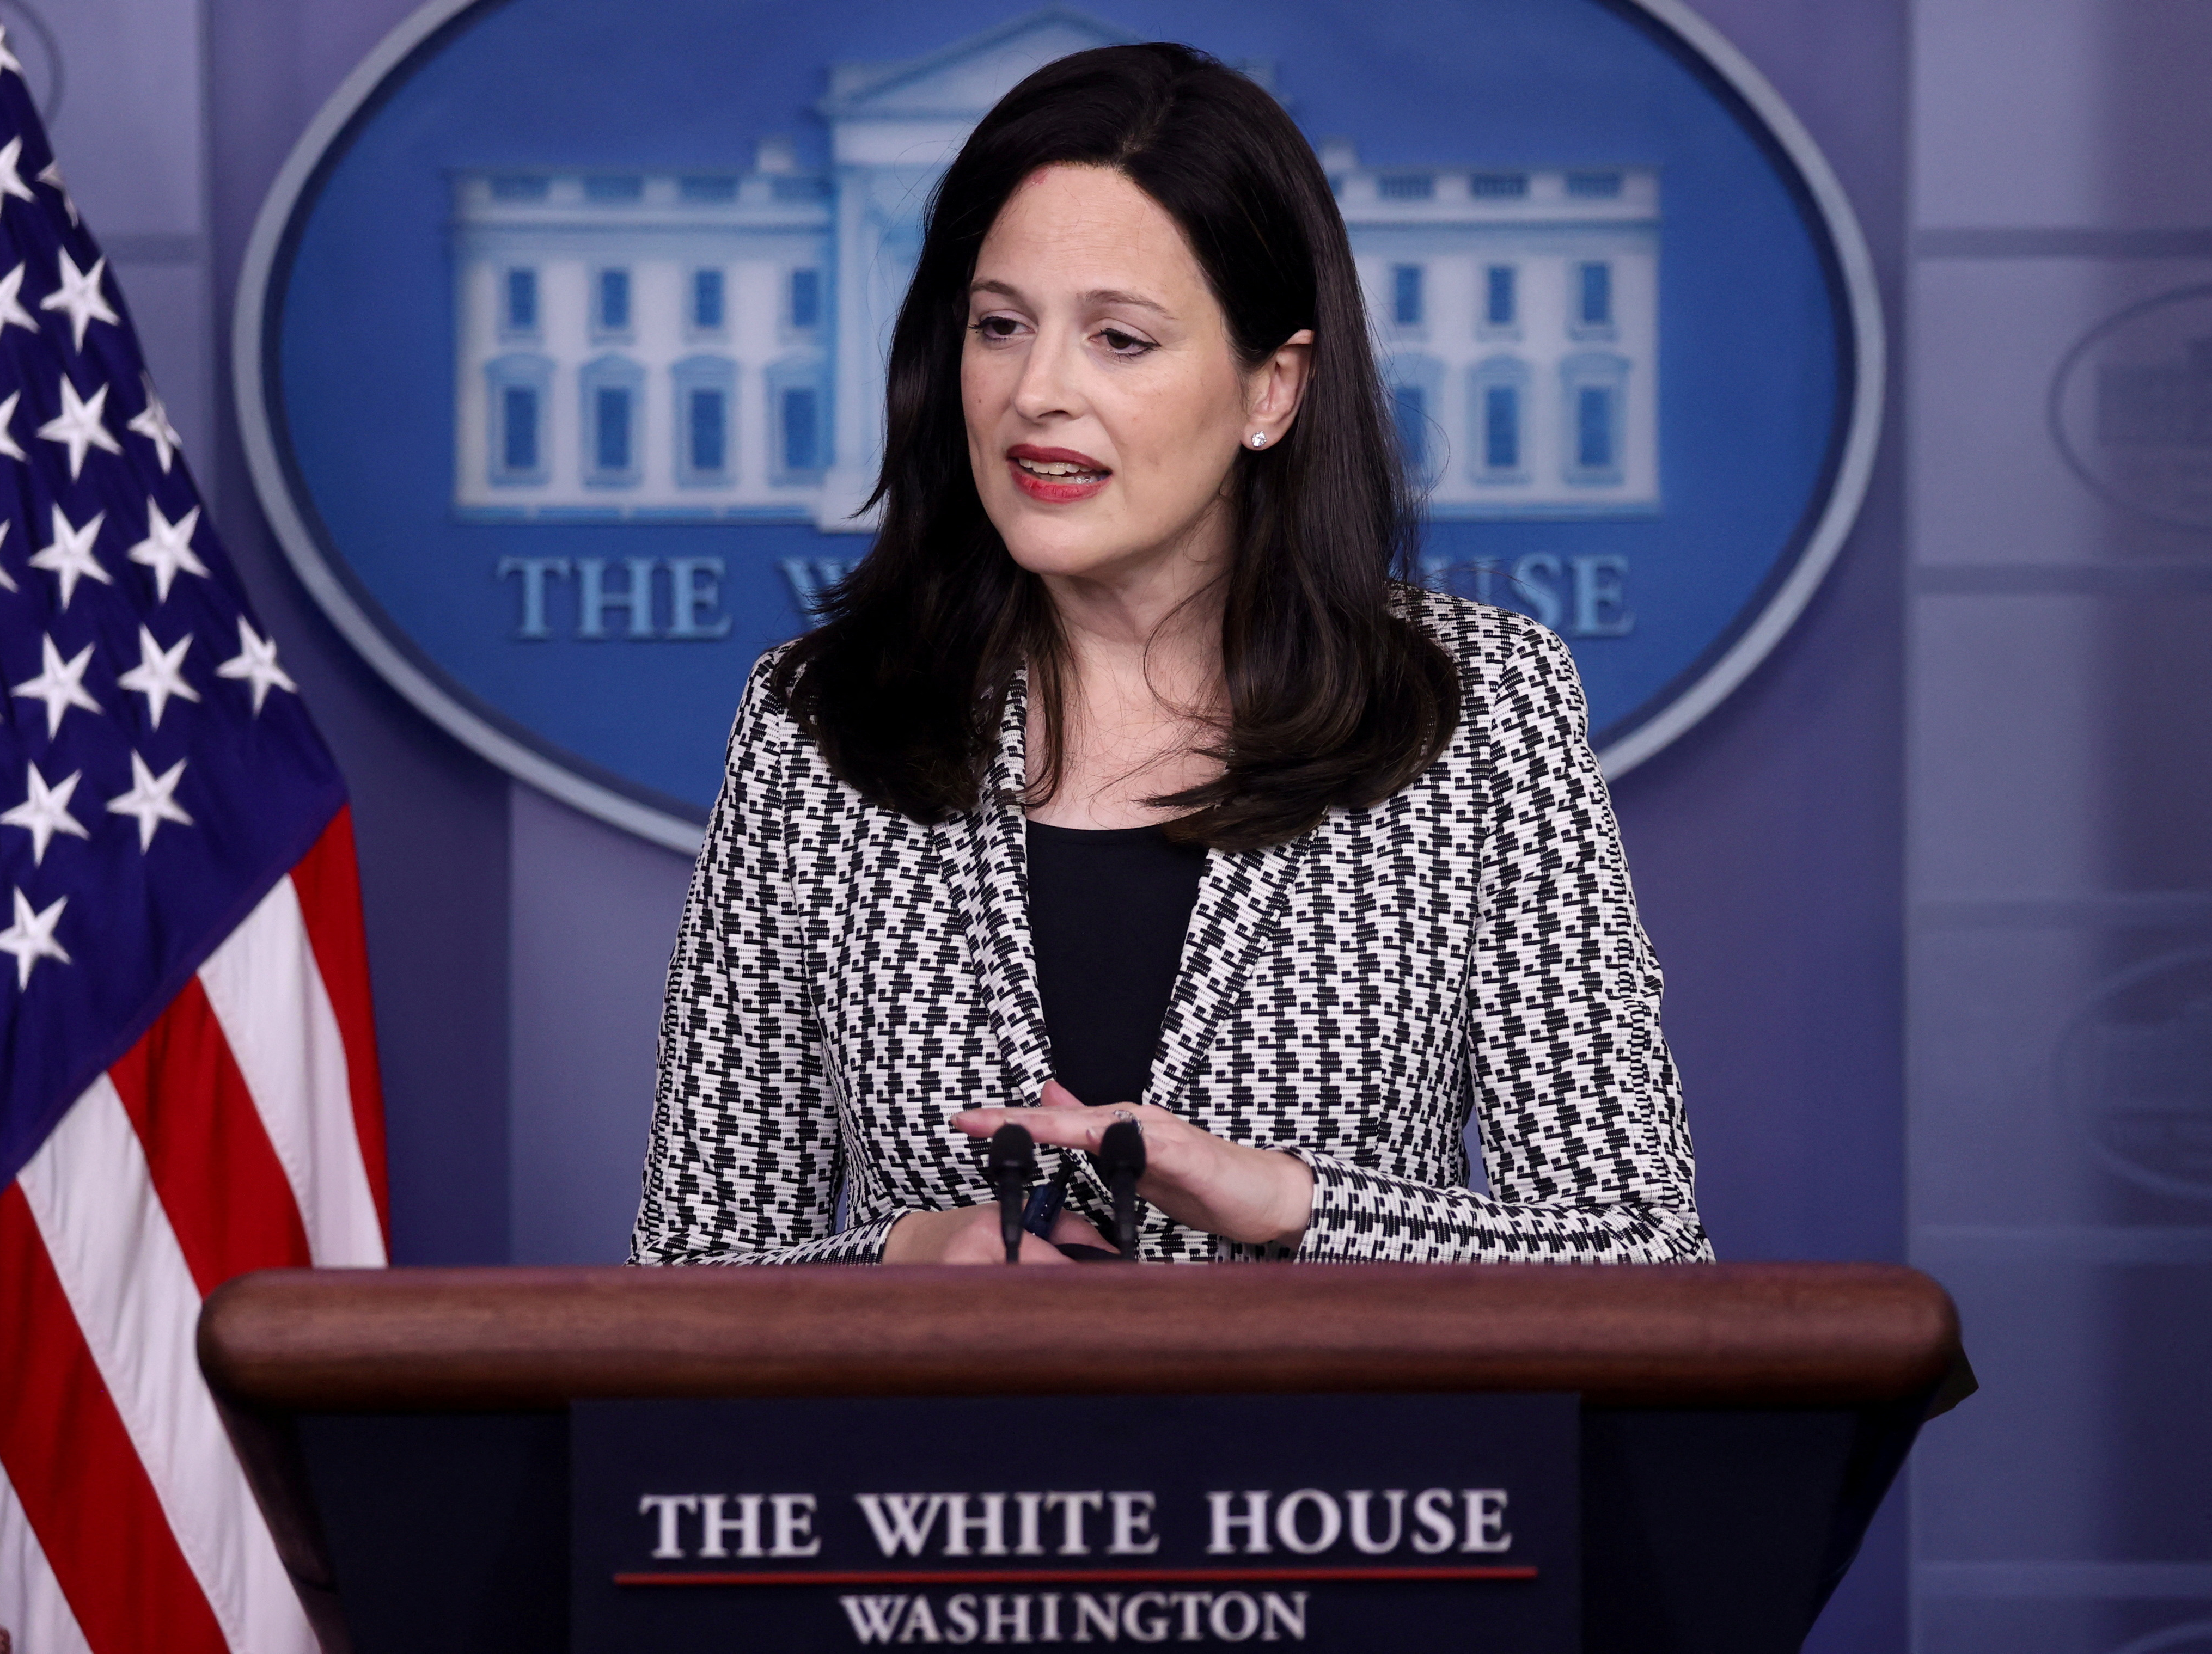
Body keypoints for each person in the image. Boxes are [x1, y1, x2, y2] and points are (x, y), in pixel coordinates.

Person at [628, 42, 1711, 1267]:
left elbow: (1639, 1251)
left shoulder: (1475, 708)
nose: (1037, 391)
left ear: (1272, 390)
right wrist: (899, 1263)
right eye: (999, 326)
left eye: (1120, 340)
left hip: (1342, 1459)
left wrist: (1294, 1202)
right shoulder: (812, 721)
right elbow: (692, 1272)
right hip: (931, 1460)